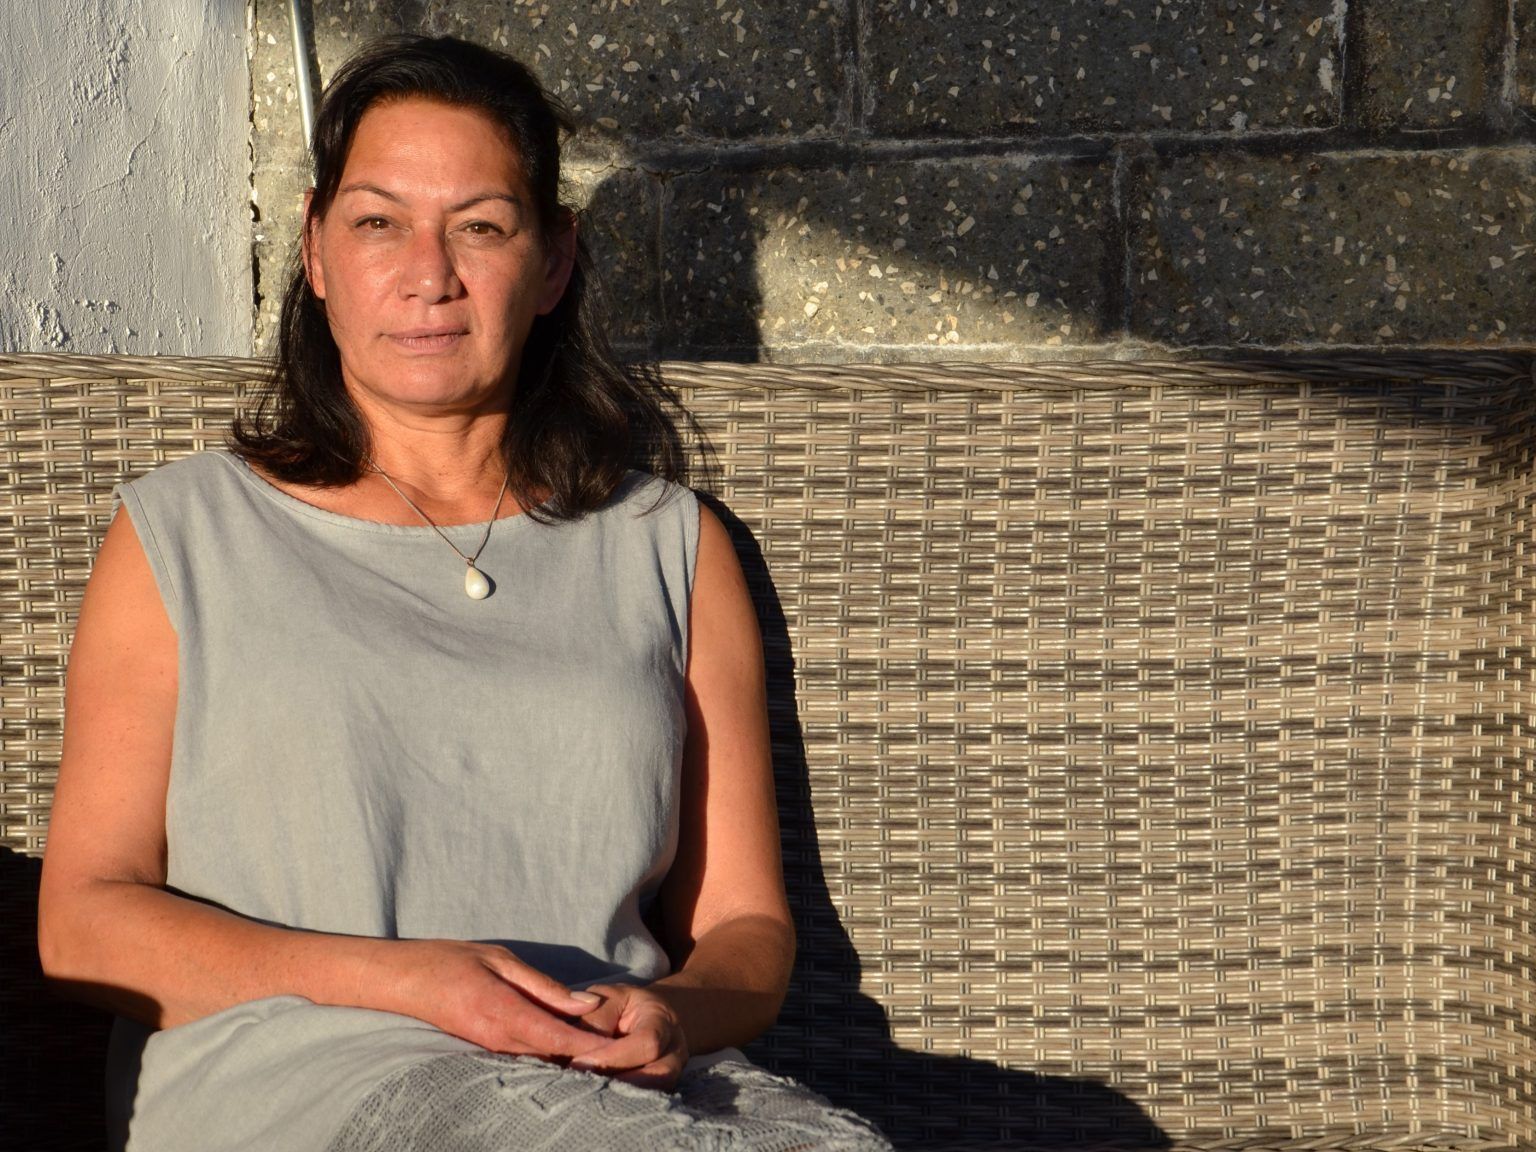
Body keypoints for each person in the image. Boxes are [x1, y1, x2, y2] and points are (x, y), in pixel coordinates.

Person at [37, 34, 889, 1151]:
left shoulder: (667, 545)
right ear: (317, 250)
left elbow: (742, 928)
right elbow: (84, 926)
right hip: (303, 1087)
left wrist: (670, 1012)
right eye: (378, 222)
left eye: (480, 227)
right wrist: (412, 984)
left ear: (554, 262)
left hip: (621, 1090)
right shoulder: (187, 534)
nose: (428, 273)